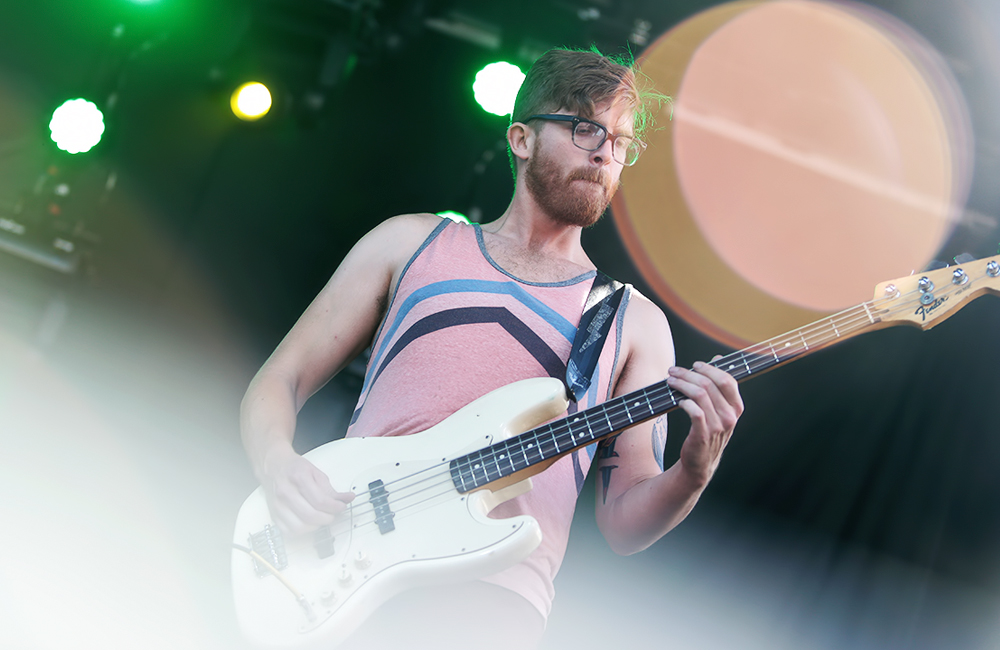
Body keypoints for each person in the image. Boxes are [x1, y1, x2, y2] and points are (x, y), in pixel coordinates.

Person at [239, 48, 744, 649]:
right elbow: (279, 381)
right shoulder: (410, 243)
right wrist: (277, 464)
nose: (606, 152)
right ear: (522, 138)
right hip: (342, 563)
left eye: (620, 142)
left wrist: (694, 470)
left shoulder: (634, 323)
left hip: (496, 605)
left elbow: (624, 524)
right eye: (585, 128)